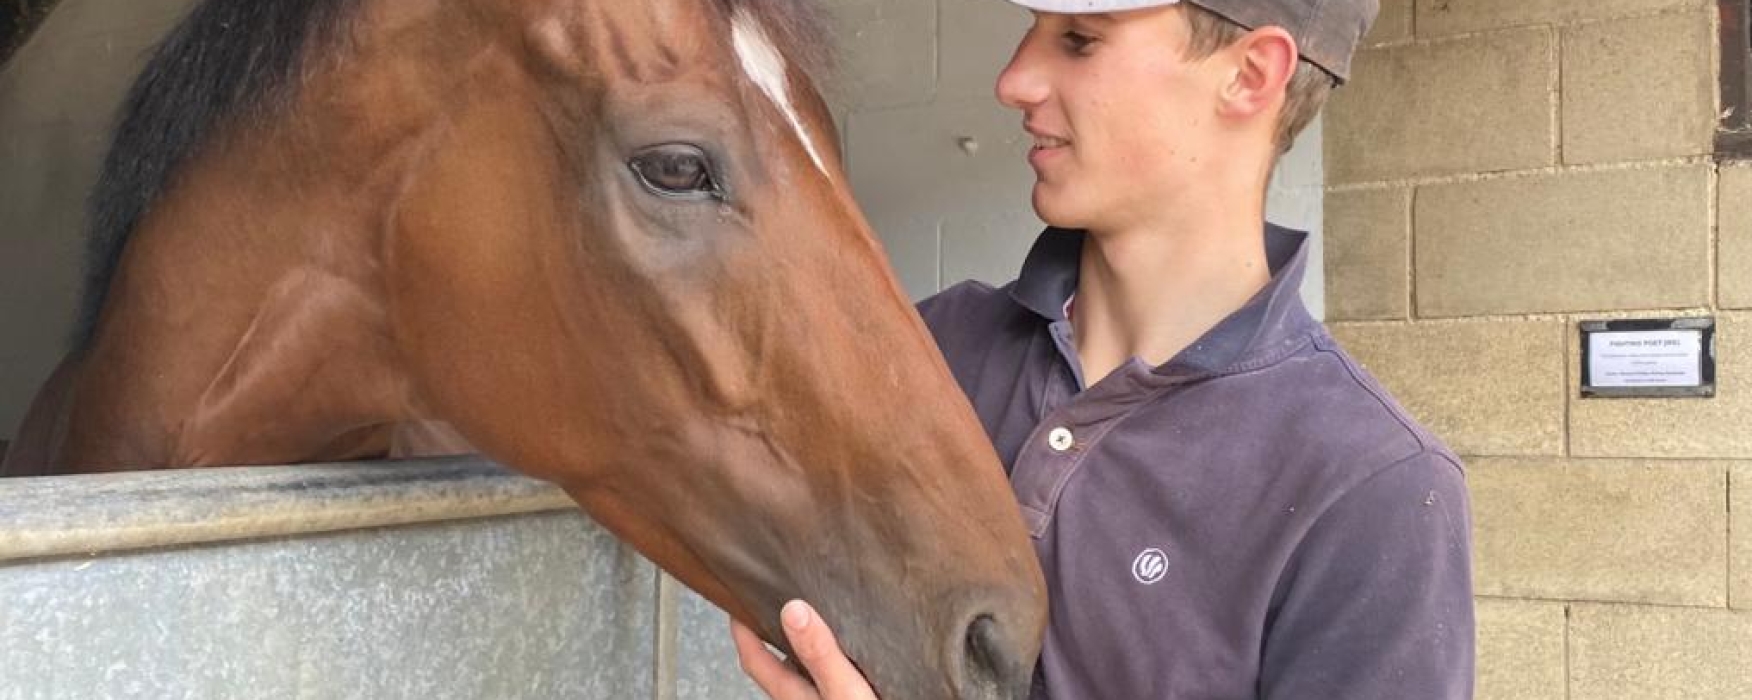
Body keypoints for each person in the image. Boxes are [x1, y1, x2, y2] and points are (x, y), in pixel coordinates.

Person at [733, 0, 1476, 697]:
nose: (1013, 81)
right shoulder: (932, 345)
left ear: (1250, 76)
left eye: (1080, 40)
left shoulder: (1372, 486)